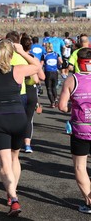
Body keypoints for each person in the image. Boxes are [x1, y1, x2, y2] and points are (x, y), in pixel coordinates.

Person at [0, 39, 41, 217]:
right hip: (19, 118)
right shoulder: (18, 70)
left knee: (4, 163)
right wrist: (23, 52)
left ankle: (13, 196)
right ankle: (12, 193)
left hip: (0, 119)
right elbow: (37, 66)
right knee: (15, 157)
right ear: (12, 55)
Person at [58, 47, 91, 214]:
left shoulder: (72, 79)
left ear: (79, 63)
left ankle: (89, 202)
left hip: (81, 129)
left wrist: (74, 105)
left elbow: (62, 106)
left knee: (80, 167)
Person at [20, 36, 45, 153]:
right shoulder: (33, 58)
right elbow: (42, 77)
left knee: (17, 117)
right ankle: (27, 145)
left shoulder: (15, 57)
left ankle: (16, 142)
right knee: (29, 119)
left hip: (18, 89)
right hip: (30, 90)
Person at [41, 43, 62, 108]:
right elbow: (61, 61)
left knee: (49, 88)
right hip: (55, 72)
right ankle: (55, 99)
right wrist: (57, 66)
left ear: (46, 47)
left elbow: (40, 65)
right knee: (54, 87)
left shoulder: (44, 55)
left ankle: (52, 103)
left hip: (48, 72)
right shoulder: (56, 54)